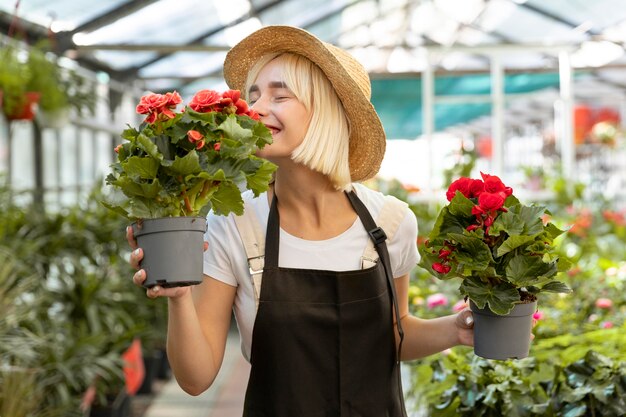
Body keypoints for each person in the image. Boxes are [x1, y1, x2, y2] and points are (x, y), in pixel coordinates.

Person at [128, 25, 474, 417]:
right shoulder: (237, 224)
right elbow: (196, 379)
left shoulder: (390, 222)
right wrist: (179, 298)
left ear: (326, 110)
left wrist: (455, 330)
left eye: (280, 94)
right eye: (253, 95)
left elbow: (392, 335)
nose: (254, 110)